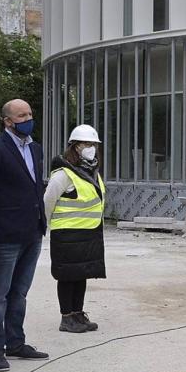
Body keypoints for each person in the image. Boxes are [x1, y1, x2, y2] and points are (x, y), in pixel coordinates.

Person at [0, 99, 49, 372]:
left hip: (32, 232)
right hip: (4, 235)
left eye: (30, 113)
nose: (28, 118)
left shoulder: (35, 149)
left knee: (20, 292)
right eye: (21, 115)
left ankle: (16, 342)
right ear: (7, 121)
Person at [43, 125, 106, 333]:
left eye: (93, 145)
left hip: (88, 233)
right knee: (67, 276)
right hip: (67, 234)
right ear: (75, 147)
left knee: (82, 274)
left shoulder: (91, 172)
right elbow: (48, 201)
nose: (91, 148)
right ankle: (66, 317)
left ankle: (78, 314)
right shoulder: (63, 174)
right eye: (86, 144)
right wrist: (45, 225)